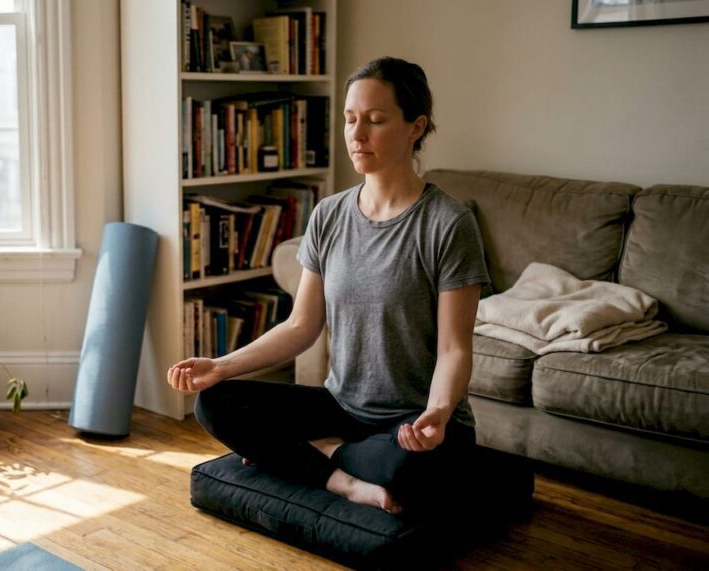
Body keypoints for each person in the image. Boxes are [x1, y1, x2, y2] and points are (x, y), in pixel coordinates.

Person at [166, 57, 489, 515]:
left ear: (416, 127)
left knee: (407, 470)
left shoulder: (448, 223)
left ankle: (315, 451)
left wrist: (436, 413)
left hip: (412, 420)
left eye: (375, 121)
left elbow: (455, 349)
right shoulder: (329, 215)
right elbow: (300, 326)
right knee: (215, 402)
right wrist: (222, 365)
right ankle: (343, 480)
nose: (357, 135)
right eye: (350, 119)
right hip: (342, 406)